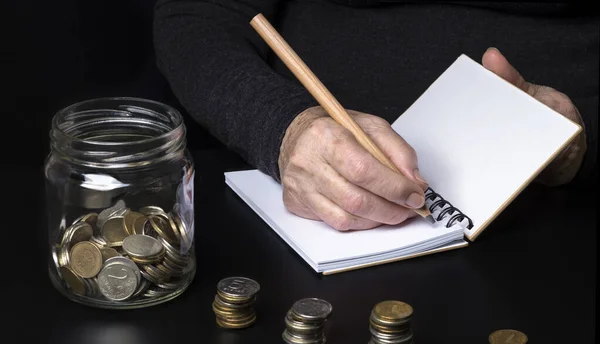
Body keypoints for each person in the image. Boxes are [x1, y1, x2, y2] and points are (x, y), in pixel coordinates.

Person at [153, 1, 597, 231]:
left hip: (567, 218)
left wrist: (580, 131)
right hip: (302, 209)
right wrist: (284, 127)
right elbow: (198, 16)